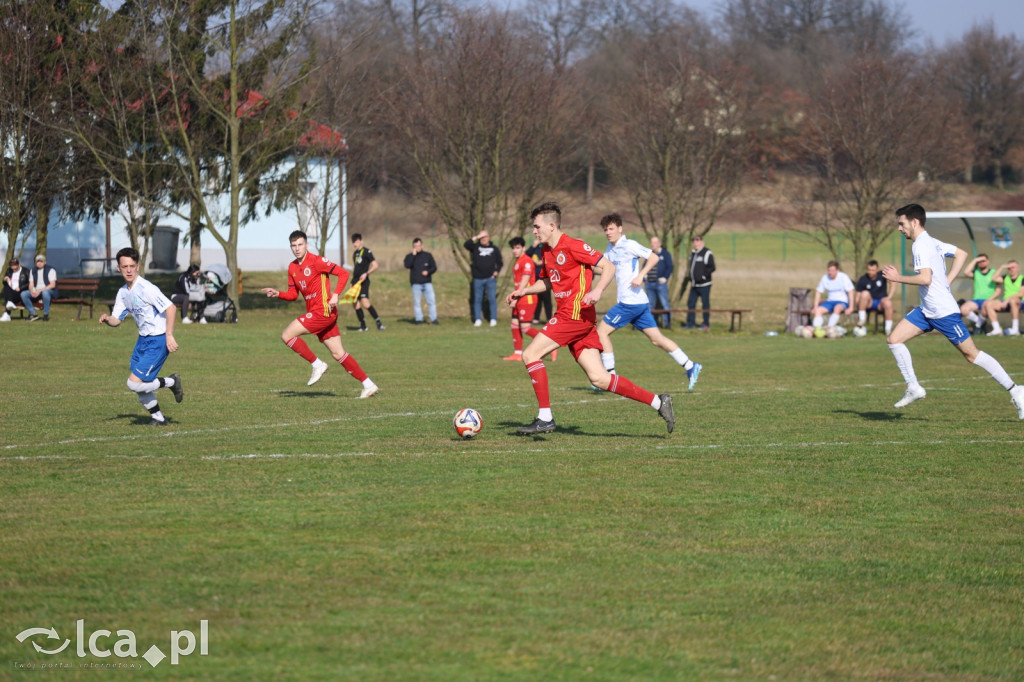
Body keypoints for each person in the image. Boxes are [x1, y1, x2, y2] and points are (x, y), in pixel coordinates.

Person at [505, 202, 675, 435]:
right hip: (575, 318)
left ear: (551, 226)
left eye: (537, 226)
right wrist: (524, 290)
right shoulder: (546, 251)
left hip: (574, 315)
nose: (534, 231)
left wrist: (597, 291)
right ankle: (659, 401)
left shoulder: (573, 245)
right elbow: (547, 282)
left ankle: (545, 418)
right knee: (600, 378)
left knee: (530, 354)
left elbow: (608, 267)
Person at [882, 203, 1023, 418]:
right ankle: (913, 387)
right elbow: (961, 254)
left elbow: (925, 278)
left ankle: (1017, 391)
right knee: (894, 339)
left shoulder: (921, 245)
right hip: (927, 311)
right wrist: (947, 281)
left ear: (914, 221)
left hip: (944, 313)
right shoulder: (930, 241)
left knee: (971, 355)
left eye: (901, 224)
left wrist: (896, 277)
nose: (900, 229)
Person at [262, 230, 379, 398]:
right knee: (338, 353)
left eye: (300, 244)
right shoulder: (292, 267)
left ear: (307, 245)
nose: (297, 248)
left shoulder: (317, 261)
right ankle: (368, 384)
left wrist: (336, 294)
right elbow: (293, 295)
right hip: (318, 313)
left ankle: (317, 364)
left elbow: (343, 273)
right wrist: (278, 293)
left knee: (287, 335)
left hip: (323, 311)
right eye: (293, 246)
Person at [596, 214, 702, 391]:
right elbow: (603, 269)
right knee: (657, 339)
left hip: (629, 303)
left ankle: (610, 376)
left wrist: (640, 275)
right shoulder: (610, 249)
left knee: (601, 333)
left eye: (611, 228)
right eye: (605, 229)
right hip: (640, 303)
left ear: (620, 229)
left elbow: (653, 257)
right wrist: (580, 262)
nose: (608, 232)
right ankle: (691, 366)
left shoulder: (629, 245)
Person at [98, 247, 184, 426]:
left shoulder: (146, 288)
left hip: (158, 339)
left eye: (132, 266)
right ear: (119, 268)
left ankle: (171, 381)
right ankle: (159, 418)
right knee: (140, 384)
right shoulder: (123, 293)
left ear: (137, 266)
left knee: (133, 383)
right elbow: (117, 320)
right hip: (143, 340)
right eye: (124, 266)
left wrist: (169, 335)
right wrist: (108, 319)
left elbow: (171, 308)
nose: (128, 270)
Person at [502, 237, 556, 362]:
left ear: (523, 248)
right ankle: (517, 353)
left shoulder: (526, 261)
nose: (515, 251)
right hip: (520, 298)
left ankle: (550, 345)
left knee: (525, 328)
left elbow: (525, 281)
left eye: (517, 248)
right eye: (513, 248)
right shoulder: (518, 261)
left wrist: (517, 297)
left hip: (527, 299)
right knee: (515, 325)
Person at [464, 230, 502, 327]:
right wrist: (477, 236)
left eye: (485, 237)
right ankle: (477, 319)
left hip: (490, 278)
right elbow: (466, 244)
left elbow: (500, 262)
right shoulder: (475, 247)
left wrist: (496, 271)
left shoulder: (494, 249)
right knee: (477, 299)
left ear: (489, 237)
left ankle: (493, 318)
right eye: (482, 237)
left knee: (492, 299)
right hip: (477, 279)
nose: (483, 239)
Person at [351, 233, 385, 332]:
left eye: (356, 241)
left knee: (365, 303)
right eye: (353, 242)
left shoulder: (367, 252)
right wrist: (352, 282)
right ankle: (363, 326)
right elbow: (356, 269)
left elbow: (375, 265)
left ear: (361, 241)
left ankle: (379, 322)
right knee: (355, 303)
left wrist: (366, 273)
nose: (355, 244)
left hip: (364, 281)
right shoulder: (355, 254)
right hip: (355, 281)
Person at [981, 260, 1021, 336]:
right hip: (1006, 302)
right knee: (989, 304)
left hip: (1019, 302)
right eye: (1009, 268)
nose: (1011, 269)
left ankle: (1015, 329)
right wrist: (1002, 267)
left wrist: (1007, 300)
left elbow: (1021, 293)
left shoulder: (1022, 278)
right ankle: (997, 329)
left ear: (1018, 268)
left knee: (1013, 301)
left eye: (1013, 267)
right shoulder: (1005, 277)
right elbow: (993, 278)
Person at [404, 238, 438, 325]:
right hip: (416, 284)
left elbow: (434, 267)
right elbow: (407, 265)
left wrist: (428, 272)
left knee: (431, 301)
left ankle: (433, 319)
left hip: (427, 283)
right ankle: (419, 319)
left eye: (418, 246)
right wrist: (413, 255)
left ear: (422, 246)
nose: (417, 247)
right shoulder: (410, 256)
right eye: (415, 246)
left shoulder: (428, 255)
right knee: (417, 303)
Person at [810, 260, 854, 329]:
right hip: (830, 301)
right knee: (818, 310)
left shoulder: (843, 277)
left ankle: (829, 328)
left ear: (837, 270)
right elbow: (818, 292)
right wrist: (815, 307)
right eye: (829, 270)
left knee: (837, 308)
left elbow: (850, 292)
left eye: (832, 271)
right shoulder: (825, 278)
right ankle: (816, 329)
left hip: (842, 302)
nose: (830, 273)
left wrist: (851, 308)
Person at [683, 235, 715, 330]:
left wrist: (703, 276)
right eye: (694, 241)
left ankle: (705, 324)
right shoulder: (692, 253)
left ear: (702, 242)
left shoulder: (707, 253)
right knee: (691, 303)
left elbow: (712, 267)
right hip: (694, 284)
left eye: (697, 240)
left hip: (704, 284)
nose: (695, 243)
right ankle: (690, 324)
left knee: (705, 304)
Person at [854, 260, 894, 335]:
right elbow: (858, 296)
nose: (870, 272)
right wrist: (857, 305)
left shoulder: (882, 275)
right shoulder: (863, 279)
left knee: (888, 303)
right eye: (869, 270)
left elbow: (893, 282)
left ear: (877, 270)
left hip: (880, 303)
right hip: (869, 303)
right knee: (865, 293)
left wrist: (889, 297)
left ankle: (888, 330)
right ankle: (862, 320)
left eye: (873, 270)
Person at [959, 253, 996, 334]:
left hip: (988, 300)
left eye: (983, 261)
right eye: (979, 261)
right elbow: (966, 272)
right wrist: (975, 260)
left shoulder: (994, 273)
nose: (981, 262)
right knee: (963, 310)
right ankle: (981, 324)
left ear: (988, 261)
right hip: (976, 300)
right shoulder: (976, 272)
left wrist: (990, 299)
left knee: (985, 311)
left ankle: (978, 327)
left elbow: (999, 288)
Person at [645, 236, 673, 328]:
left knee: (665, 303)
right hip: (649, 284)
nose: (652, 244)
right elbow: (645, 267)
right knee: (650, 305)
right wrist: (645, 277)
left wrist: (665, 278)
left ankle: (667, 324)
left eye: (654, 242)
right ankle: (651, 325)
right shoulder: (649, 254)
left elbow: (670, 267)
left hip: (660, 284)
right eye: (651, 242)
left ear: (659, 244)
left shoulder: (665, 254)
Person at [21, 254, 59, 322]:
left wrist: (40, 291)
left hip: (49, 291)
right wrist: (32, 291)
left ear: (45, 262)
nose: (39, 263)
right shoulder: (32, 270)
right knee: (24, 294)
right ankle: (33, 313)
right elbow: (31, 284)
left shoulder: (51, 270)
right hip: (36, 291)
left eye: (41, 261)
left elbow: (52, 285)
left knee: (45, 292)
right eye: (38, 261)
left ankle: (45, 314)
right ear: (35, 263)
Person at [526, 237, 552, 323]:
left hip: (545, 278)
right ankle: (536, 318)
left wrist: (543, 262)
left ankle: (549, 318)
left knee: (547, 300)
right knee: (537, 300)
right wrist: (533, 245)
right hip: (534, 278)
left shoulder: (547, 247)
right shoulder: (535, 248)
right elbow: (526, 256)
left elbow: (551, 258)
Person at [1, 257, 29, 322]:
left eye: (15, 268)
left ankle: (7, 314)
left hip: (20, 292)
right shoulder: (9, 270)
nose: (13, 270)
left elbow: (30, 283)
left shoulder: (26, 271)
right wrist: (5, 280)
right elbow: (5, 282)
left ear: (18, 265)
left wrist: (20, 288)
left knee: (8, 297)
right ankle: (9, 305)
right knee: (6, 287)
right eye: (12, 268)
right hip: (11, 291)